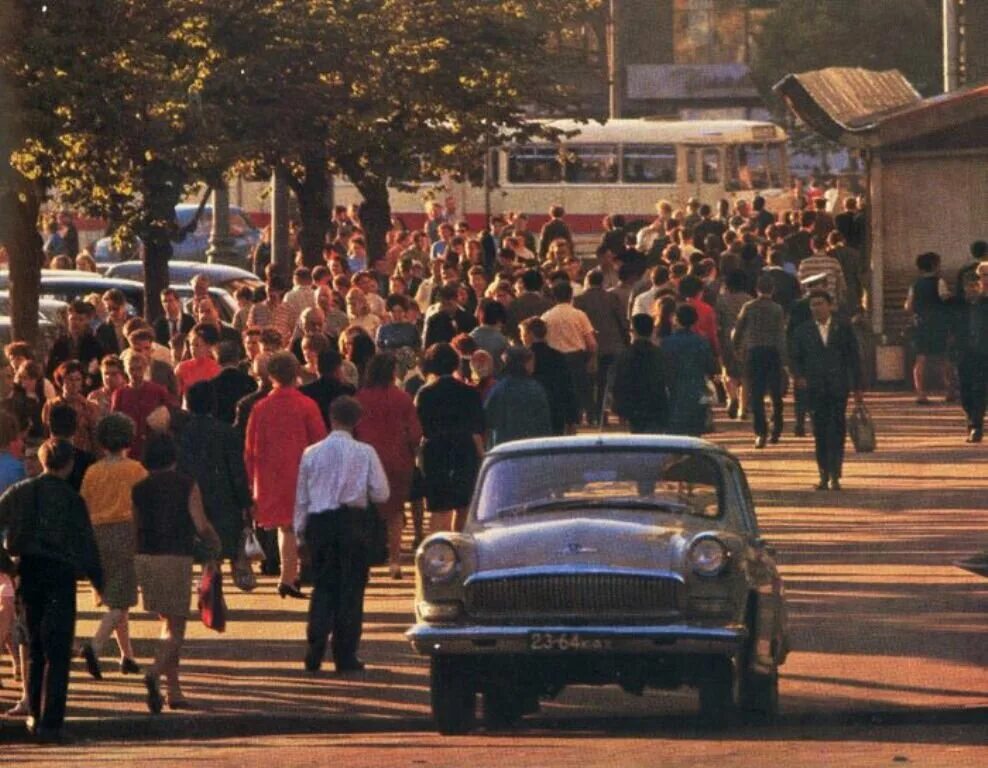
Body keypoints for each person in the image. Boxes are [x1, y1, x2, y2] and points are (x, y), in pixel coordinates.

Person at [0, 439, 102, 741]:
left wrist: (7, 564)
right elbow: (86, 544)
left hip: (29, 569)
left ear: (42, 461)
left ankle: (33, 712)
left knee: (35, 647)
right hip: (60, 572)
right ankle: (51, 721)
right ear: (69, 465)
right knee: (58, 650)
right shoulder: (72, 498)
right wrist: (99, 581)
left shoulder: (21, 492)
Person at [295, 396, 389, 674]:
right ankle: (345, 654)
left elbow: (302, 497)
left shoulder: (311, 453)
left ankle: (315, 646)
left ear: (331, 418)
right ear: (357, 421)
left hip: (320, 522)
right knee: (351, 590)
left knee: (323, 586)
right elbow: (381, 492)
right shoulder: (365, 452)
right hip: (352, 522)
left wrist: (300, 534)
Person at [133, 433, 221, 712]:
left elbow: (134, 526)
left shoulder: (139, 487)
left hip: (146, 556)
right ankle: (154, 673)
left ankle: (173, 690)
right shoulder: (186, 484)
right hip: (175, 556)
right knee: (177, 629)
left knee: (166, 623)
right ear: (173, 457)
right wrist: (216, 543)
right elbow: (200, 524)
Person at [244, 352, 326, 599]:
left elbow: (250, 448)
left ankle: (288, 576)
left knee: (285, 528)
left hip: (270, 474)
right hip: (302, 472)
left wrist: (251, 479)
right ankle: (293, 575)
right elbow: (319, 441)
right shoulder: (306, 405)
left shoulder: (260, 408)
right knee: (300, 527)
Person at [79, 414, 148, 680]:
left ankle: (127, 655)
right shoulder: (136, 470)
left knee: (115, 595)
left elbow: (84, 504)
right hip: (126, 531)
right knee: (122, 598)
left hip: (98, 533)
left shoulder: (93, 471)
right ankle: (95, 646)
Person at [354, 354, 422, 579]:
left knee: (366, 513)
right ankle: (394, 562)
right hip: (397, 459)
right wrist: (413, 454)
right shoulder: (402, 398)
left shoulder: (360, 398)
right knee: (395, 513)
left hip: (366, 459)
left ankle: (365, 563)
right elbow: (414, 433)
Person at [789, 290, 864, 491]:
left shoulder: (843, 328)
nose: (817, 308)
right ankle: (823, 474)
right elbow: (795, 358)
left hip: (838, 386)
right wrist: (799, 377)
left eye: (821, 303)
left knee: (837, 429)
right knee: (820, 431)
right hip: (814, 388)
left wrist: (857, 387)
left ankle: (836, 474)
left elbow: (853, 358)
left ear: (830, 305)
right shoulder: (802, 331)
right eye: (813, 304)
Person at [177, 381, 252, 569]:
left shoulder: (182, 433)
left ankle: (211, 590)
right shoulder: (227, 432)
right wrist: (245, 501)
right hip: (223, 498)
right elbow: (237, 470)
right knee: (218, 547)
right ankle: (214, 591)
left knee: (205, 548)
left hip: (192, 496)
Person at [415, 343, 485, 532]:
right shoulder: (470, 392)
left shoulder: (425, 393)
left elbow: (420, 427)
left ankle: (438, 552)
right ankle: (459, 550)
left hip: (435, 451)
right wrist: (482, 456)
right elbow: (477, 429)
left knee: (439, 509)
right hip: (464, 449)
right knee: (463, 506)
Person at [733, 275, 787, 448]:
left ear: (757, 290)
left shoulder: (748, 307)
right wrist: (784, 358)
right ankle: (777, 427)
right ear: (773, 290)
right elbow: (781, 334)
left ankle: (760, 432)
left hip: (753, 351)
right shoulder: (777, 309)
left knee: (756, 394)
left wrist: (736, 348)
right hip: (773, 352)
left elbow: (739, 329)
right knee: (775, 392)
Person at [575, 268, 629, 425]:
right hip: (611, 346)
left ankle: (591, 413)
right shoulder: (612, 297)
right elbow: (622, 321)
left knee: (589, 381)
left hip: (588, 346)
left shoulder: (580, 299)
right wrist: (625, 341)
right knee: (605, 381)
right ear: (602, 282)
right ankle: (601, 411)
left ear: (587, 281)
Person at [542, 281, 598, 425]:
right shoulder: (579, 315)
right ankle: (587, 417)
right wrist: (591, 358)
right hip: (576, 357)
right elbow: (591, 342)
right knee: (581, 389)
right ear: (571, 295)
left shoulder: (546, 317)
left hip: (554, 358)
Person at [662, 304, 718, 437]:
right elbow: (710, 366)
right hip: (696, 389)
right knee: (695, 433)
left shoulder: (667, 342)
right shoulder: (701, 341)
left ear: (676, 319)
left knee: (675, 434)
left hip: (674, 391)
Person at [483, 346, 553, 447]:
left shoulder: (499, 388)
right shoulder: (535, 388)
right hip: (531, 445)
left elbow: (488, 418)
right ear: (525, 363)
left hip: (504, 446)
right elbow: (544, 422)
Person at [611, 314, 669, 433]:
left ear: (634, 331)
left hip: (634, 408)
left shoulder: (625, 355)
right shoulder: (660, 354)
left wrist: (619, 408)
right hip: (657, 405)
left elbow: (619, 383)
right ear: (652, 330)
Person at [905, 252, 950, 404]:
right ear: (934, 265)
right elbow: (945, 299)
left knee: (920, 358)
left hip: (921, 324)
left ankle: (920, 393)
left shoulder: (915, 284)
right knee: (942, 357)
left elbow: (908, 306)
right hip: (938, 324)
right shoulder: (939, 282)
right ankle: (949, 390)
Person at [111, 352, 174, 461]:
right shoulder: (119, 394)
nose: (135, 373)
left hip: (154, 446)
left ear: (145, 368)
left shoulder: (158, 390)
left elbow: (170, 415)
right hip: (130, 449)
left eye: (139, 369)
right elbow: (115, 422)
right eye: (131, 369)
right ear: (126, 370)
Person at [521, 317, 578, 436]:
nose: (522, 338)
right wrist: (572, 419)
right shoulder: (558, 357)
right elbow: (568, 387)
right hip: (556, 409)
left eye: (523, 334)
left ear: (529, 334)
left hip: (530, 411)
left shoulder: (523, 358)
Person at [951, 268, 988, 443]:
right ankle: (971, 421)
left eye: (976, 284)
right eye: (969, 285)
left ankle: (976, 426)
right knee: (965, 389)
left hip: (983, 351)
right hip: (963, 350)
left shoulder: (985, 303)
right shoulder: (957, 305)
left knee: (979, 388)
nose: (973, 288)